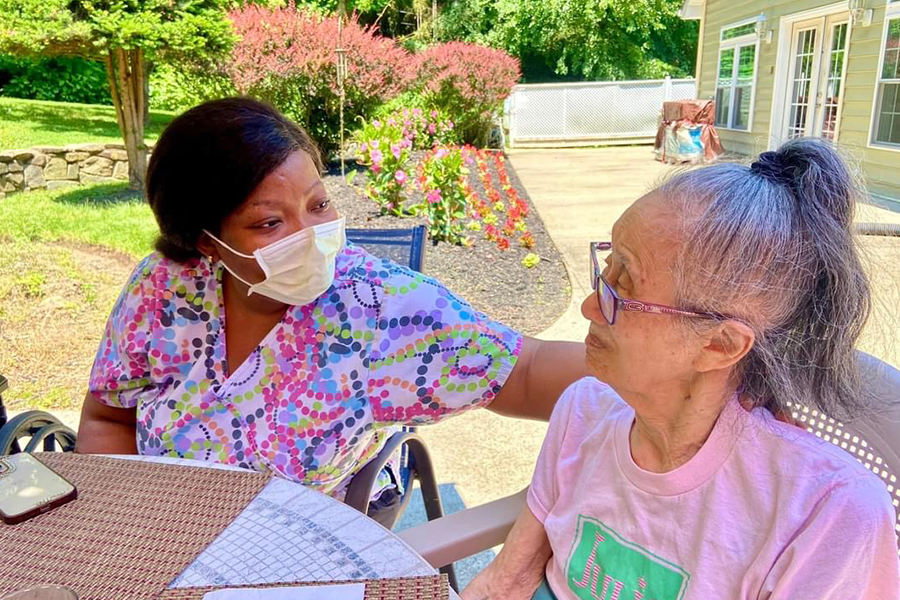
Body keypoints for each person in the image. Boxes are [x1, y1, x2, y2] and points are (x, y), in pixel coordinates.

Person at [76, 97, 588, 511]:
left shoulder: (378, 307)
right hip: (156, 534)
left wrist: (656, 371)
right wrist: (128, 518)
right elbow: (109, 417)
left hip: (294, 562)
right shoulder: (165, 287)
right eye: (269, 223)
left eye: (319, 204)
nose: (314, 236)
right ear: (207, 242)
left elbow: (522, 371)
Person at [462, 138, 900, 599]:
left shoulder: (826, 515)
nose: (591, 306)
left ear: (719, 345)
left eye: (623, 287)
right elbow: (505, 581)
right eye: (605, 271)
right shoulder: (583, 411)